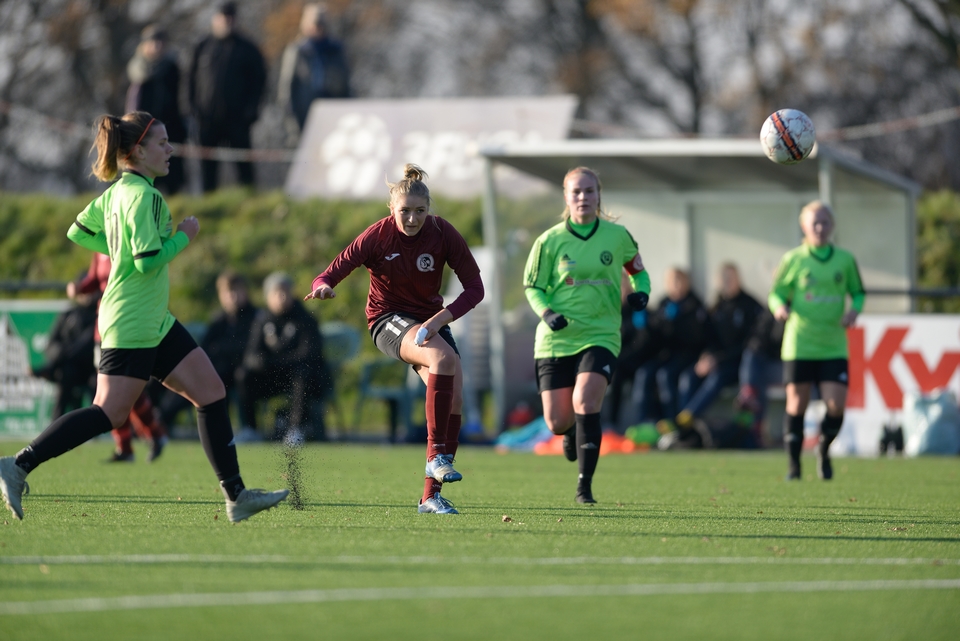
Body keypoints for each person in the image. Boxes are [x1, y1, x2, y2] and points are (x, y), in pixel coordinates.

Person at [0, 111, 287, 522]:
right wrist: (183, 236)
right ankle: (18, 464)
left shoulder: (118, 192)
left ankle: (236, 496)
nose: (170, 149)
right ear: (137, 151)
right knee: (109, 413)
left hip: (153, 320)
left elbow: (78, 231)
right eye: (162, 143)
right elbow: (148, 260)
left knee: (210, 391)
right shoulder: (145, 197)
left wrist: (117, 248)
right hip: (133, 320)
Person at [305, 164, 483, 514]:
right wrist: (322, 286)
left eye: (420, 211)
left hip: (430, 320)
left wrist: (438, 320)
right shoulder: (378, 235)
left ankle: (430, 497)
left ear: (429, 210)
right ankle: (436, 456)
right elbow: (332, 270)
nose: (412, 219)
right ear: (391, 209)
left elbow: (475, 289)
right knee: (443, 359)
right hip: (387, 320)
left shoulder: (442, 233)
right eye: (405, 211)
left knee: (455, 399)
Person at [523, 166, 650, 504]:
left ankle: (585, 487)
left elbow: (638, 273)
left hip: (601, 334)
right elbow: (533, 287)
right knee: (556, 421)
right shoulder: (549, 241)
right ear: (566, 197)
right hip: (556, 338)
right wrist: (547, 313)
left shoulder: (617, 236)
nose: (583, 197)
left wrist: (641, 293)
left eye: (589, 191)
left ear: (598, 196)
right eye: (576, 192)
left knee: (586, 400)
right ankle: (569, 431)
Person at [769, 200, 865, 480]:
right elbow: (776, 293)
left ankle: (823, 449)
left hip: (833, 343)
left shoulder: (844, 260)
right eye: (815, 223)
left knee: (836, 405)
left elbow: (858, 292)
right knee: (796, 405)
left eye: (825, 222)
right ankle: (794, 465)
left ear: (832, 225)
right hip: (800, 342)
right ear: (804, 226)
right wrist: (779, 307)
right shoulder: (793, 259)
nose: (820, 228)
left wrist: (854, 310)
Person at [77, 252, 168, 463]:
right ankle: (135, 442)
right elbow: (94, 279)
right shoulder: (99, 248)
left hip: (126, 326)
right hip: (104, 329)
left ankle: (147, 437)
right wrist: (79, 287)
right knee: (115, 393)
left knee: (123, 392)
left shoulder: (124, 244)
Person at [157, 270, 259, 429]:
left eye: (237, 291)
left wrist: (221, 350)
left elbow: (251, 348)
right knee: (186, 376)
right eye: (228, 292)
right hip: (217, 370)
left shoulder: (256, 317)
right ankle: (160, 419)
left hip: (243, 372)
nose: (233, 296)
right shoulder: (219, 320)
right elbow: (204, 349)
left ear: (246, 291)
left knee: (212, 378)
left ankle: (160, 420)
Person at [236, 271, 327, 443]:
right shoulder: (262, 320)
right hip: (271, 375)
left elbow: (309, 354)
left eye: (285, 292)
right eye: (276, 293)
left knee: (303, 374)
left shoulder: (305, 319)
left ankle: (295, 429)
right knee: (243, 375)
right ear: (268, 297)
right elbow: (252, 353)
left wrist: (277, 362)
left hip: (299, 376)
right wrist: (260, 362)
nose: (281, 297)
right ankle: (250, 429)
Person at [188, 2, 266, 192]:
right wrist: (192, 109)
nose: (227, 22)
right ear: (215, 19)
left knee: (243, 166)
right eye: (223, 18)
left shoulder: (248, 49)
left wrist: (251, 111)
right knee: (208, 168)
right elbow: (190, 80)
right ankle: (209, 201)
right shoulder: (202, 46)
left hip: (238, 119)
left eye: (230, 18)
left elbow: (259, 82)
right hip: (207, 119)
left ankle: (249, 199)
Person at [674, 263, 762, 428]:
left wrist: (718, 359)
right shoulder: (715, 306)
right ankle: (685, 424)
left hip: (738, 365)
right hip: (715, 361)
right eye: (724, 278)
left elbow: (750, 344)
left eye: (731, 278)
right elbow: (708, 338)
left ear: (739, 279)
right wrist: (706, 357)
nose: (727, 282)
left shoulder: (750, 305)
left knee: (717, 377)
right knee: (688, 376)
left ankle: (685, 419)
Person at [631, 268, 709, 426]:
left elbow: (698, 338)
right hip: (666, 355)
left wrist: (677, 323)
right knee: (644, 373)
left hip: (688, 355)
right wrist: (647, 327)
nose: (676, 284)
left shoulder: (694, 304)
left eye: (679, 280)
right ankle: (643, 422)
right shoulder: (663, 303)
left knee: (665, 375)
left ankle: (671, 422)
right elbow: (656, 337)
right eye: (672, 281)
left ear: (687, 282)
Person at [125, 25, 186, 195]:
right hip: (144, 130)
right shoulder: (136, 70)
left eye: (160, 42)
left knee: (173, 174)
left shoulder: (172, 68)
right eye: (152, 42)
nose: (156, 46)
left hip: (170, 128)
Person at [278, 3, 351, 132]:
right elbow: (287, 88)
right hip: (304, 115)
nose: (317, 29)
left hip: (332, 114)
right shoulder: (297, 51)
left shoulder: (335, 51)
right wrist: (292, 122)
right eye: (314, 25)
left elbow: (345, 85)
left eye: (320, 25)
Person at [31, 279, 97, 420]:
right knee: (66, 374)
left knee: (67, 372)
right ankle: (56, 424)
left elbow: (85, 347)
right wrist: (59, 353)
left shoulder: (97, 317)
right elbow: (51, 344)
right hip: (67, 369)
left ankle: (48, 369)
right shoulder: (67, 314)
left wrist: (62, 355)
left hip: (89, 369)